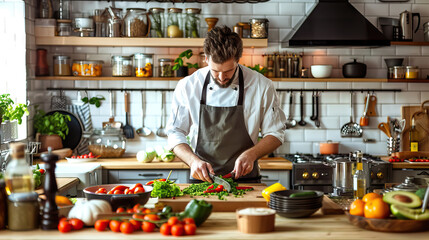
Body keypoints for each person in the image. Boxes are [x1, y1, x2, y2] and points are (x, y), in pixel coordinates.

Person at [166, 26, 286, 183]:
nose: (222, 77)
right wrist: (192, 161)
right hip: (202, 180)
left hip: (246, 179)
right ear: (207, 59)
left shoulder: (261, 85)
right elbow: (175, 132)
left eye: (229, 71)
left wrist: (251, 154)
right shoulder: (188, 86)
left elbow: (276, 133)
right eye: (215, 71)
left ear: (238, 59)